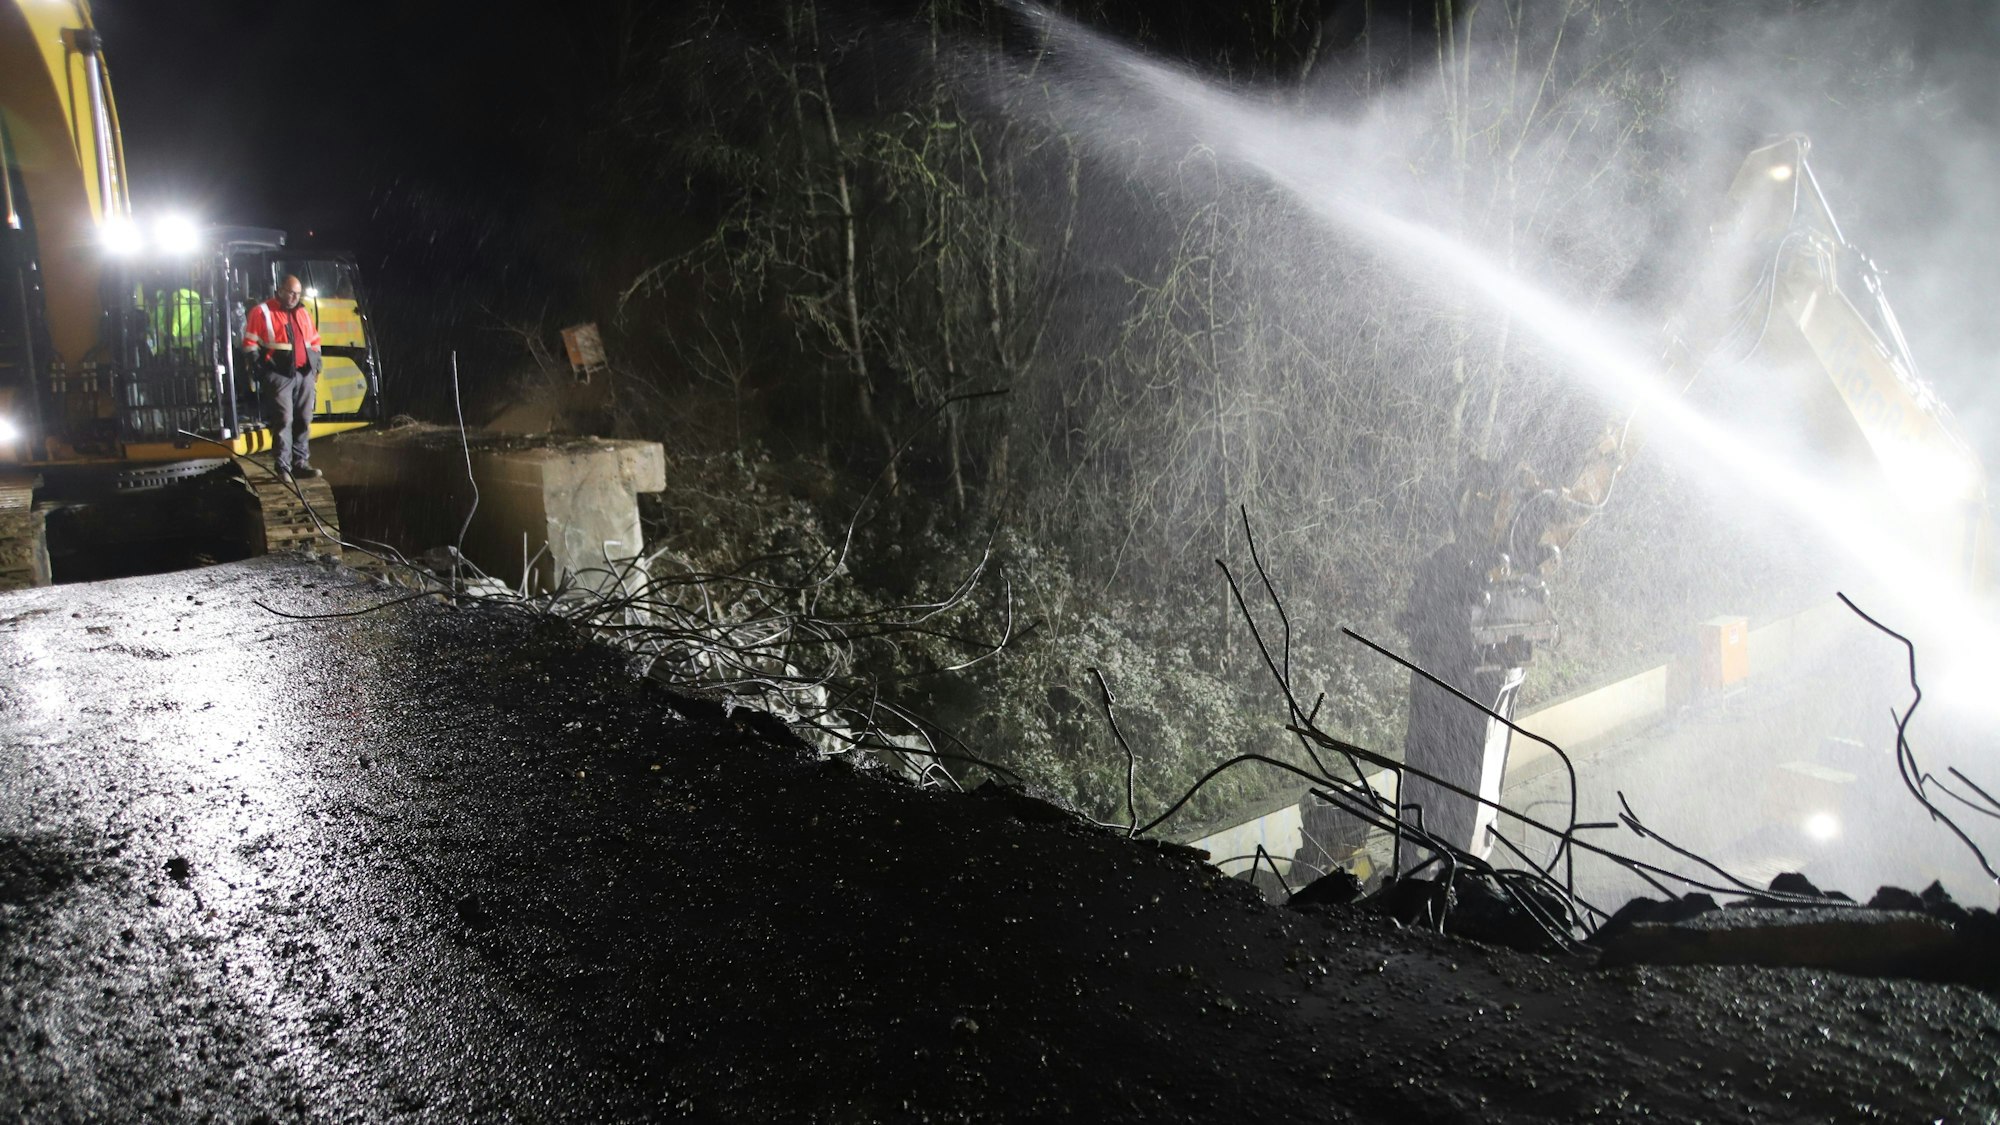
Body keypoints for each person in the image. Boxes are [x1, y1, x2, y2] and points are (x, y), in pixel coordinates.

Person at [241, 275, 322, 481]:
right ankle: (283, 467)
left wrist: (316, 367)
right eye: (291, 292)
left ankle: (300, 463)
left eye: (298, 294)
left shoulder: (303, 312)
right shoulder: (262, 312)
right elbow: (250, 344)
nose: (295, 297)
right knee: (284, 419)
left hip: (304, 373)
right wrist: (263, 372)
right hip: (279, 374)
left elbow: (314, 340)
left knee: (304, 418)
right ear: (280, 290)